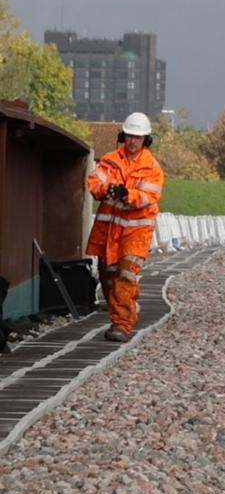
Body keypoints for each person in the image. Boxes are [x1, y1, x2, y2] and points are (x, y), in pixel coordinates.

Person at [84, 112, 165, 342]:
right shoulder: (110, 161)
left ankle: (122, 325)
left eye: (137, 138)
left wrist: (126, 194)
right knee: (108, 277)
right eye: (129, 136)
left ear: (145, 140)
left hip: (135, 233)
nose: (132, 141)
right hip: (109, 231)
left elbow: (150, 196)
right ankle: (124, 308)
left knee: (125, 276)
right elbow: (94, 182)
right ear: (123, 136)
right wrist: (106, 189)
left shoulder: (151, 167)